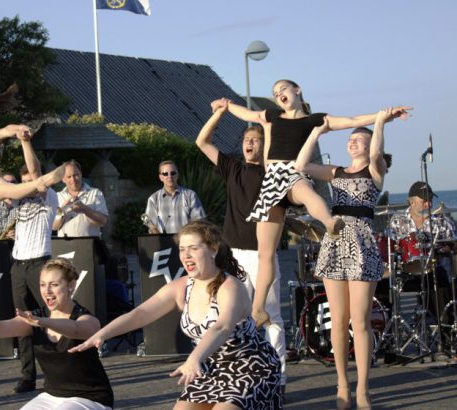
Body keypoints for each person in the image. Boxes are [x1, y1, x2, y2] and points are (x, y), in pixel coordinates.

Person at [212, 82, 411, 326]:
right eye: (275, 94)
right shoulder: (274, 115)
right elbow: (248, 114)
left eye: (283, 89)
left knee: (305, 191)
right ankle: (258, 307)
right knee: (266, 253)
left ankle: (328, 222)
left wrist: (383, 116)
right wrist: (226, 105)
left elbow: (349, 120)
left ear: (297, 90)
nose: (279, 95)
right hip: (272, 177)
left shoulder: (314, 120)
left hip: (293, 171)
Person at [71, 220, 282, 409]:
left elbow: (222, 326)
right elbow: (140, 314)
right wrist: (102, 334)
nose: (186, 255)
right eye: (182, 249)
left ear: (213, 249)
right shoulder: (181, 288)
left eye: (193, 248)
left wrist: (194, 358)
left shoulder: (230, 287)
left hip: (251, 369)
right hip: (210, 368)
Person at [296, 109, 396, 409]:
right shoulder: (336, 171)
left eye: (358, 140)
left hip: (363, 244)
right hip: (335, 241)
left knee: (360, 321)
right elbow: (301, 165)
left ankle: (363, 388)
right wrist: (317, 131)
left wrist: (378, 122)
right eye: (350, 139)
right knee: (338, 322)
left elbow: (377, 152)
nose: (353, 143)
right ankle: (342, 384)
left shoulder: (375, 172)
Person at [0, 258, 114, 409]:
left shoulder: (85, 318)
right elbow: (0, 327)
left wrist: (42, 322)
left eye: (54, 285)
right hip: (52, 395)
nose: (47, 291)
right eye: (43, 285)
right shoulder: (36, 318)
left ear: (71, 285)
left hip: (91, 397)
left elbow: (76, 329)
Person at [194, 102, 288, 390]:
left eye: (256, 140)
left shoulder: (274, 175)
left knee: (269, 315)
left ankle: (278, 378)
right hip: (233, 254)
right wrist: (220, 113)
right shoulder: (233, 168)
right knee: (230, 316)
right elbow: (202, 142)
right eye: (247, 140)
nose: (250, 143)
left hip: (263, 257)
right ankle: (240, 375)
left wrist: (267, 127)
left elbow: (272, 142)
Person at [9, 136, 59, 394]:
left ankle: (57, 374)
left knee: (50, 319)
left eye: (31, 182)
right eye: (24, 182)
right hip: (18, 265)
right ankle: (27, 375)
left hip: (40, 263)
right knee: (22, 322)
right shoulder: (18, 199)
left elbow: (37, 173)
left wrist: (25, 142)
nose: (29, 186)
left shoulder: (49, 196)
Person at [389, 181, 456, 323]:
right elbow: (390, 246)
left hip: (434, 269)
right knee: (386, 286)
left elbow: (454, 243)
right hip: (407, 271)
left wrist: (446, 248)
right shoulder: (397, 220)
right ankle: (392, 330)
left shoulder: (440, 219)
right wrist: (396, 249)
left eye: (431, 200)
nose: (429, 204)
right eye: (424, 201)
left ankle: (445, 330)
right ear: (411, 201)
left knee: (441, 281)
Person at [144, 161, 206, 234]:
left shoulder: (190, 195)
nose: (169, 176)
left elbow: (199, 222)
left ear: (177, 175)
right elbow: (151, 225)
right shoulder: (153, 199)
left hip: (186, 242)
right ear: (160, 177)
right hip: (164, 243)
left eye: (173, 173)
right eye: (165, 174)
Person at [53, 161, 108, 238]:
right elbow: (54, 227)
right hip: (65, 245)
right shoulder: (57, 196)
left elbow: (103, 221)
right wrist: (61, 214)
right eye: (69, 177)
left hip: (89, 243)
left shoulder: (95, 193)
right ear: (63, 179)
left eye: (75, 175)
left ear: (81, 174)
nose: (73, 180)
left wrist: (84, 209)